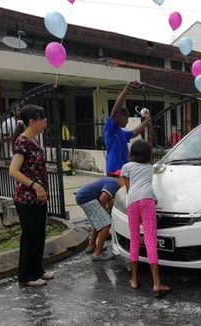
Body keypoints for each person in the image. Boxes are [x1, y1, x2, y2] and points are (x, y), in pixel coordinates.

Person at [9, 105, 53, 287]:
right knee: (30, 237)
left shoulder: (34, 141)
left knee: (39, 235)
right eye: (42, 118)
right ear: (32, 122)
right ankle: (26, 276)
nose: (45, 121)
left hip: (38, 198)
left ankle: (37, 270)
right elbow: (13, 171)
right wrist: (35, 186)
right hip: (27, 198)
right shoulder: (22, 142)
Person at [121, 139, 170, 298]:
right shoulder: (149, 168)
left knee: (134, 240)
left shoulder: (126, 167)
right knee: (150, 240)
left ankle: (134, 280)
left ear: (132, 153)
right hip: (148, 200)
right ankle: (156, 283)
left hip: (132, 202)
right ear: (148, 153)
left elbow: (127, 187)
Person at [104, 81, 151, 176]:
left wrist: (147, 120)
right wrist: (127, 89)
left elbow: (135, 132)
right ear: (120, 116)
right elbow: (115, 110)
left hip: (124, 172)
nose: (127, 121)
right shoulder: (110, 130)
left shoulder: (121, 133)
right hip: (114, 173)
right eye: (126, 118)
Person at [75, 175, 124, 261]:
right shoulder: (114, 184)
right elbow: (103, 199)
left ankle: (92, 246)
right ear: (123, 180)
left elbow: (109, 201)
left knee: (98, 223)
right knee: (106, 224)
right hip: (86, 198)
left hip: (83, 197)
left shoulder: (112, 182)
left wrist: (109, 211)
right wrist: (105, 212)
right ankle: (97, 253)